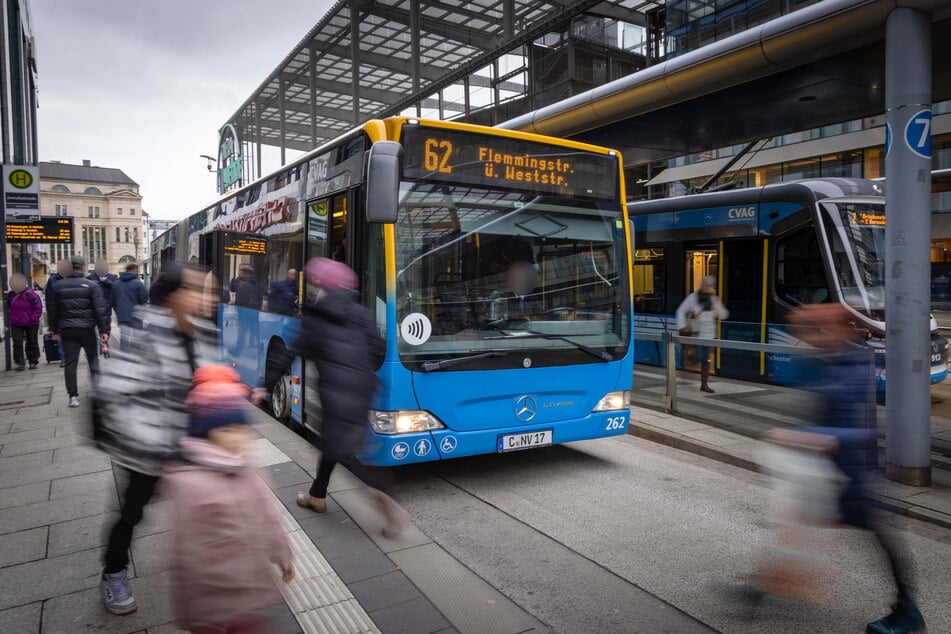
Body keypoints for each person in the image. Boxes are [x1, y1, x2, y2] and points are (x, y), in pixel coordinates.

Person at [785, 304, 925, 634]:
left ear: (838, 329)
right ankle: (762, 589)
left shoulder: (857, 367)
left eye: (815, 330)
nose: (807, 337)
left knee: (883, 541)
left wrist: (821, 438)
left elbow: (869, 431)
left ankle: (908, 611)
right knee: (800, 529)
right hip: (828, 474)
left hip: (856, 476)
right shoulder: (822, 363)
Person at [92, 263, 220, 615]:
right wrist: (160, 448)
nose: (208, 298)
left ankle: (205, 576)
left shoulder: (205, 331)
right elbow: (114, 396)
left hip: (189, 448)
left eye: (210, 290)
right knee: (131, 514)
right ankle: (114, 572)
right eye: (198, 290)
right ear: (174, 296)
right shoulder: (142, 331)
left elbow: (207, 386)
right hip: (146, 452)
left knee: (205, 513)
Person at [261, 257, 407, 537]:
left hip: (335, 391)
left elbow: (290, 355)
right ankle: (317, 496)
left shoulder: (315, 316)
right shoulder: (360, 312)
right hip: (362, 388)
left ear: (319, 285)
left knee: (345, 450)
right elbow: (377, 350)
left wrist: (266, 386)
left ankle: (388, 503)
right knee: (333, 442)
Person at [163, 364, 293, 632]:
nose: (236, 438)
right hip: (210, 604)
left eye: (240, 428)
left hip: (250, 595)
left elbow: (267, 515)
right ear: (204, 432)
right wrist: (193, 611)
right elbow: (181, 552)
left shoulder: (247, 467)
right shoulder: (188, 482)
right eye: (225, 430)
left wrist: (280, 553)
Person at [47, 255, 111, 408]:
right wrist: (104, 330)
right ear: (83, 267)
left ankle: (73, 397)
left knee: (70, 363)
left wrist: (55, 330)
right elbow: (100, 310)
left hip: (68, 330)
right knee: (93, 360)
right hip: (87, 329)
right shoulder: (91, 285)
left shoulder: (58, 286)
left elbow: (52, 311)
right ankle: (97, 390)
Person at [675, 275, 729, 393]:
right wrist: (683, 326)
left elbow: (724, 315)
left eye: (710, 286)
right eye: (706, 285)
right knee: (703, 356)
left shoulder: (714, 300)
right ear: (702, 285)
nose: (707, 287)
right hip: (696, 333)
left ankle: (704, 384)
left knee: (705, 359)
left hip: (709, 335)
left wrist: (716, 310)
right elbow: (680, 311)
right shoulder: (692, 298)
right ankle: (691, 365)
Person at [5, 273, 43, 370]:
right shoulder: (10, 295)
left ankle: (33, 361)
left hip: (31, 323)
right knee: (17, 343)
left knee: (32, 342)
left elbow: (38, 308)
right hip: (16, 323)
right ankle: (20, 362)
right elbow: (8, 307)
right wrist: (11, 318)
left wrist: (33, 318)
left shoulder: (30, 294)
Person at [111, 263, 148, 348]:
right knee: (137, 338)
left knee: (124, 338)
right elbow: (144, 298)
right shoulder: (138, 283)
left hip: (122, 316)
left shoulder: (116, 284)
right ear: (134, 270)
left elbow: (112, 301)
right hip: (136, 316)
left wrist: (118, 311)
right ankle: (136, 357)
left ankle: (124, 358)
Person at [45, 259, 73, 366]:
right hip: (60, 313)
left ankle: (71, 355)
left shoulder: (74, 278)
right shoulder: (53, 280)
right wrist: (51, 318)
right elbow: (49, 300)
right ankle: (64, 358)